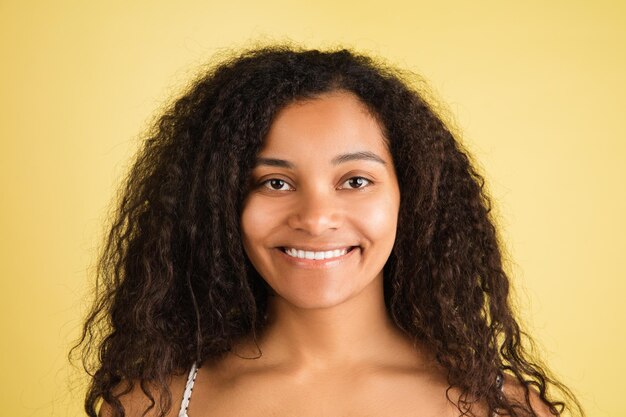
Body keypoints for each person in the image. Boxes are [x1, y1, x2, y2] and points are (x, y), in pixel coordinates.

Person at [73, 45, 583, 417]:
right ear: (218, 204)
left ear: (414, 197)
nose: (316, 218)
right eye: (275, 182)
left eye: (355, 180)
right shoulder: (150, 405)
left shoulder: (504, 409)